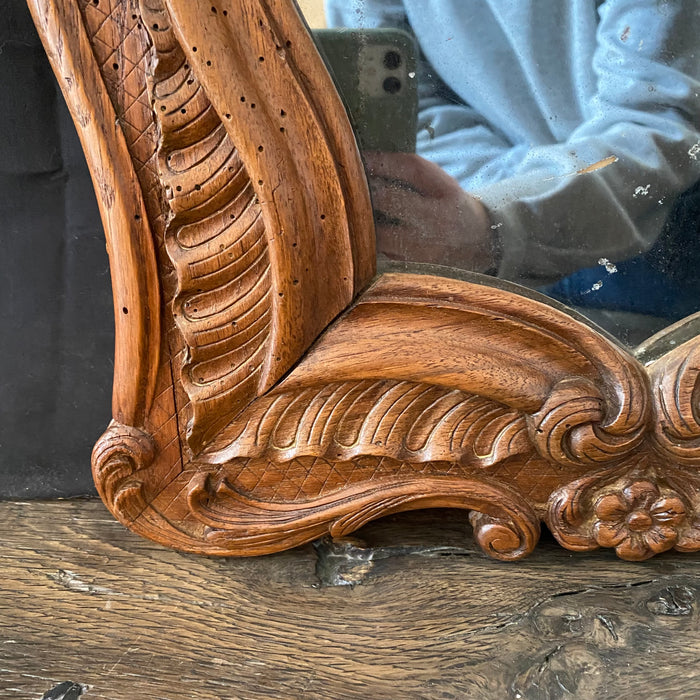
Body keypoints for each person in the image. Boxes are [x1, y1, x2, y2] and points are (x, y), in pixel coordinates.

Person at [325, 0, 700, 311]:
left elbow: (663, 124)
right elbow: (414, 108)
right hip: (489, 233)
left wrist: (494, 222)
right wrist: (491, 217)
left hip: (670, 232)